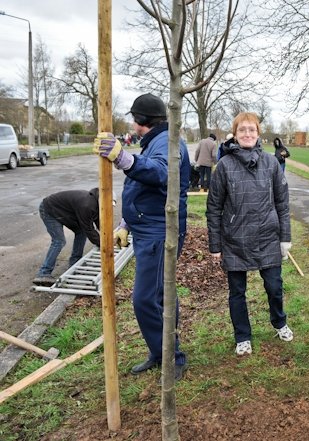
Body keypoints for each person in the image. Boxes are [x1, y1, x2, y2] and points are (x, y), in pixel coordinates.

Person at [94, 92, 190, 381]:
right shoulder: (156, 141)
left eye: (134, 120)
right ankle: (162, 352)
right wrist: (127, 223)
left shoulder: (168, 143)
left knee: (146, 299)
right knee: (159, 295)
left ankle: (172, 358)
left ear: (141, 121)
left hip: (161, 233)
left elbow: (161, 174)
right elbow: (145, 192)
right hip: (148, 228)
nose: (133, 127)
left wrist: (123, 159)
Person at [206, 112, 293, 356]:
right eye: (242, 130)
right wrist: (216, 245)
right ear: (235, 133)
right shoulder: (224, 166)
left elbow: (282, 203)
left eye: (252, 130)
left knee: (274, 286)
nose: (247, 134)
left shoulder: (271, 163)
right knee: (237, 292)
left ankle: (279, 322)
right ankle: (242, 336)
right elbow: (214, 207)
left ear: (258, 133)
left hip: (267, 236)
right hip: (235, 239)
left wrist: (285, 238)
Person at [32, 188, 114, 286]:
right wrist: (103, 245)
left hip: (65, 212)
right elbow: (88, 228)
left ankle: (74, 264)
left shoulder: (97, 203)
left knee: (81, 232)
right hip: (49, 210)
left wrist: (108, 237)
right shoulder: (87, 205)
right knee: (59, 241)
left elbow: (100, 223)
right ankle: (43, 273)